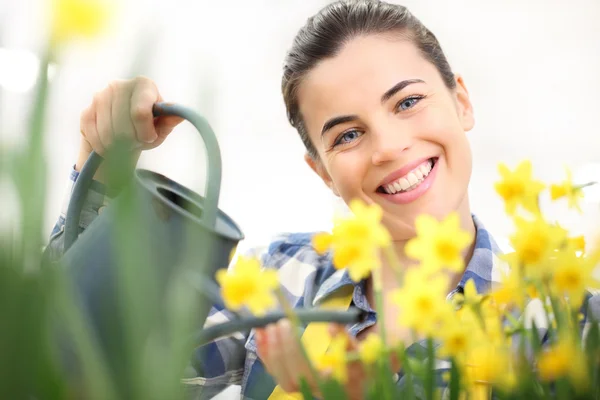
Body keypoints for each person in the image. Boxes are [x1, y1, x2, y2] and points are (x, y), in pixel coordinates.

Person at [44, 0, 598, 399]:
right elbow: (71, 364)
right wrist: (99, 169)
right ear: (323, 172)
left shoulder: (565, 319)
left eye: (407, 102)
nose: (389, 147)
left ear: (462, 101)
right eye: (347, 136)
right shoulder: (282, 279)